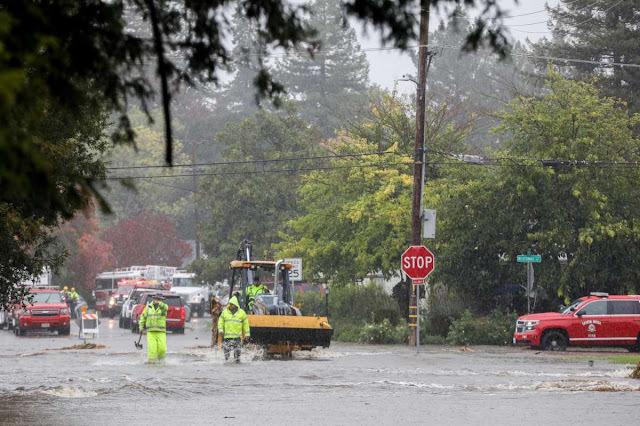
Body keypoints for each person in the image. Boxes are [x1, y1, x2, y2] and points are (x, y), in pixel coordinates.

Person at [217, 295, 250, 363]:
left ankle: (237, 362)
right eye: (230, 304)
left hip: (237, 337)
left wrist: (247, 334)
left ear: (235, 305)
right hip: (227, 337)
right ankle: (227, 362)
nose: (230, 305)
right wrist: (220, 330)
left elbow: (246, 325)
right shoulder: (225, 312)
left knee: (237, 355)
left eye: (232, 304)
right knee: (226, 355)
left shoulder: (242, 313)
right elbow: (220, 322)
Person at [139, 294, 169, 362]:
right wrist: (141, 327)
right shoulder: (148, 307)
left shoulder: (164, 307)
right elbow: (143, 317)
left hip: (161, 332)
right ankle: (151, 362)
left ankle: (161, 361)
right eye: (156, 299)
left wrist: (160, 303)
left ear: (161, 300)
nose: (157, 300)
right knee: (152, 349)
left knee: (162, 349)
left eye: (159, 299)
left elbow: (165, 308)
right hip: (150, 332)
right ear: (153, 299)